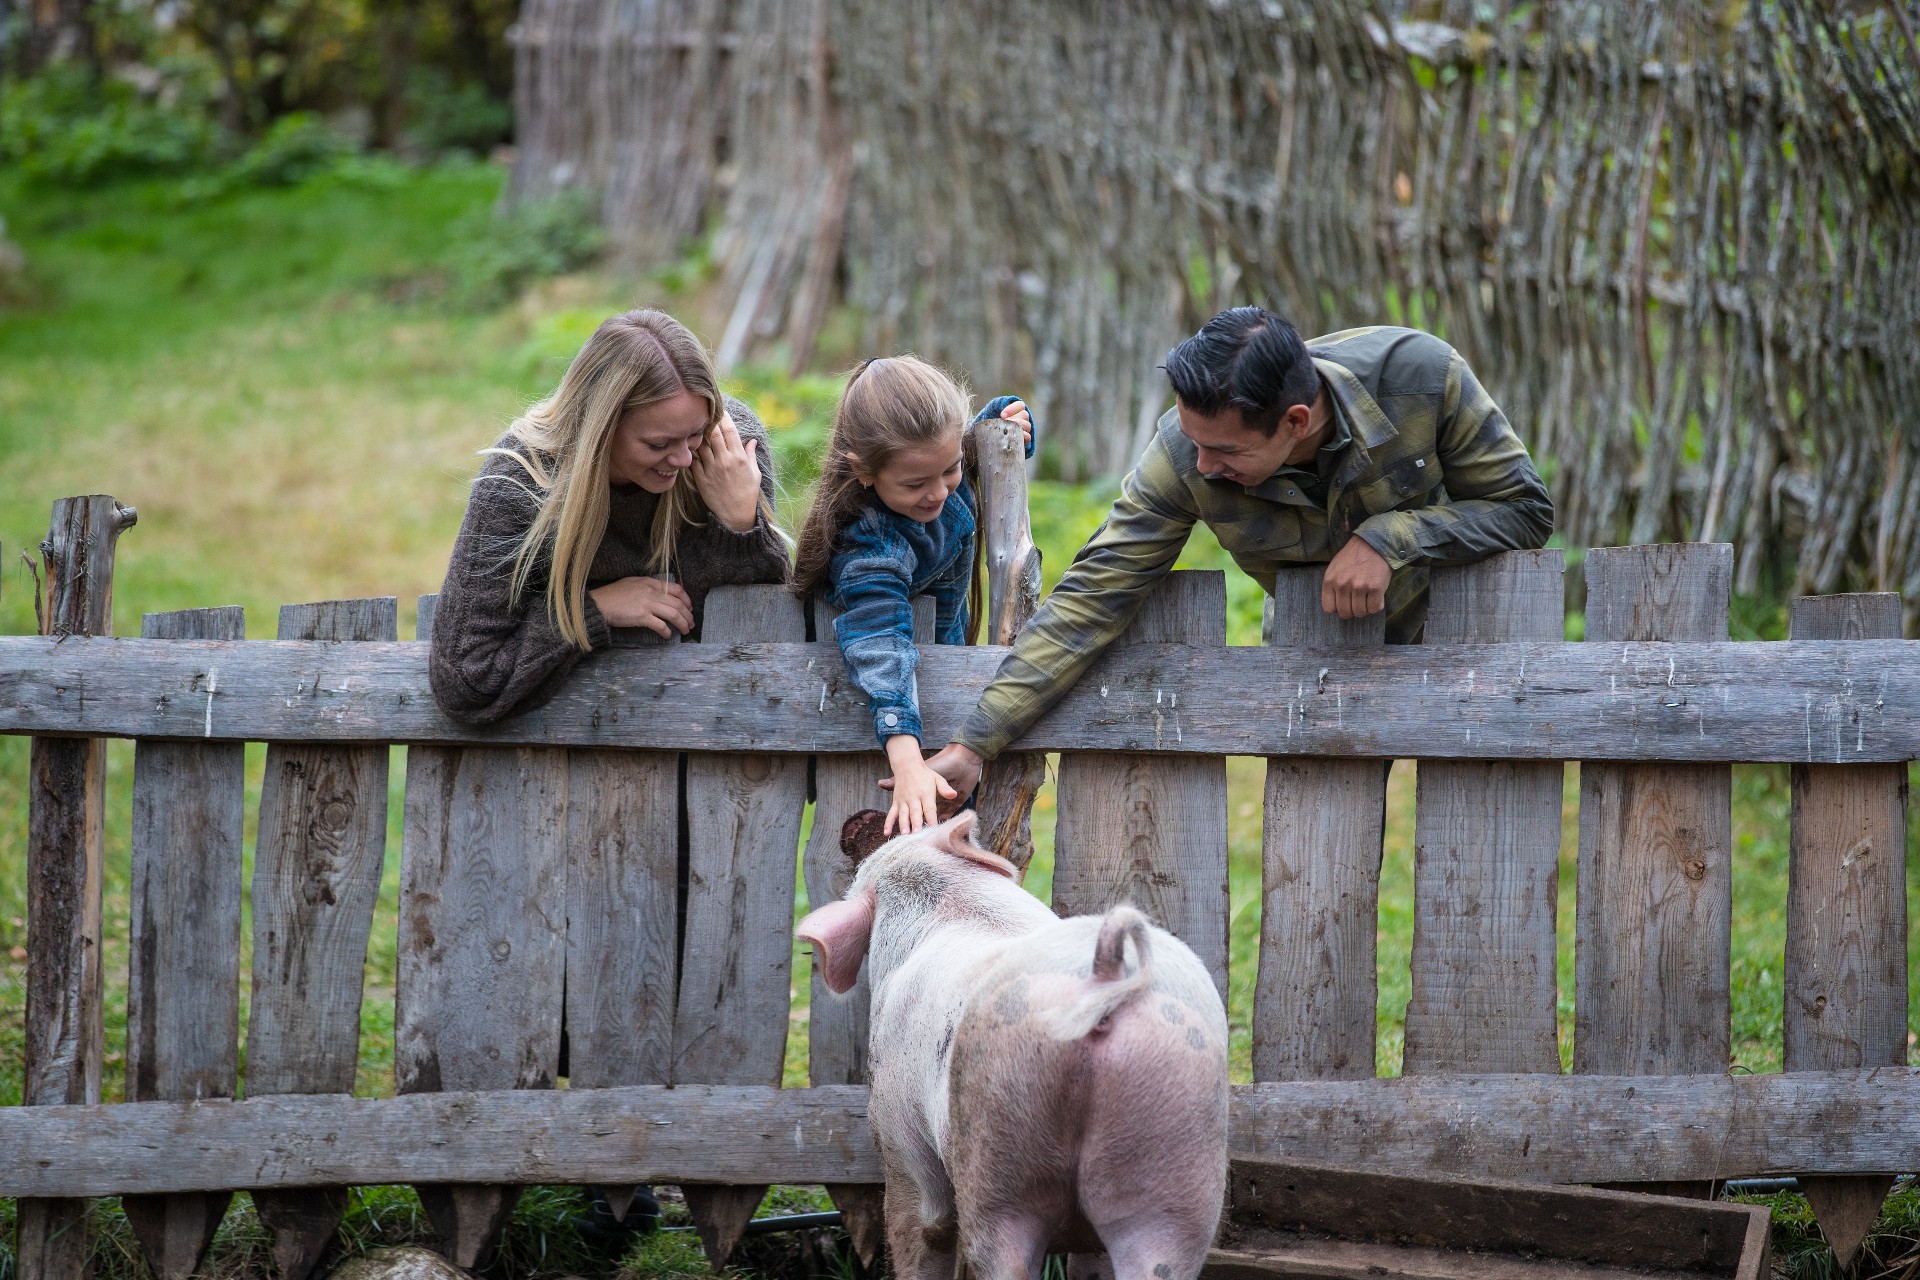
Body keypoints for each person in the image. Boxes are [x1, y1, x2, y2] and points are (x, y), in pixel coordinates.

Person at [923, 308, 1554, 799]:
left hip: (1479, 659)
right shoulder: (1185, 452)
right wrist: (974, 744)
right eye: (1194, 444)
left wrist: (1393, 538)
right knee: (1318, 858)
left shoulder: (1422, 378)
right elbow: (1094, 593)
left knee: (1480, 857)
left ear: (1295, 421)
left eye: (1225, 454)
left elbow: (1526, 511)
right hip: (1323, 666)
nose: (1202, 465)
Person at [429, 308, 789, 725]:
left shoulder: (729, 454)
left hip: (716, 734)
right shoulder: (523, 481)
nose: (684, 458)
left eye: (694, 435)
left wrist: (739, 523)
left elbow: (759, 646)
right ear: (599, 428)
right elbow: (467, 681)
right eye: (657, 445)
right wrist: (592, 610)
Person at [791, 355, 1033, 835]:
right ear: (863, 472)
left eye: (952, 469)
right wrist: (905, 759)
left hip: (951, 685)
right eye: (915, 484)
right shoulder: (869, 545)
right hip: (890, 712)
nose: (939, 492)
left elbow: (969, 442)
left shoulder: (936, 462)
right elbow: (879, 639)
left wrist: (1007, 422)